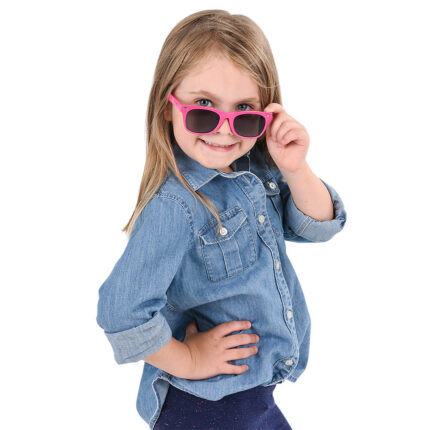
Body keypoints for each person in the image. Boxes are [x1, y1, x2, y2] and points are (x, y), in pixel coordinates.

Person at [96, 9, 347, 430]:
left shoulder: (254, 173)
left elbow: (318, 225)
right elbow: (121, 311)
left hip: (250, 397)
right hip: (207, 405)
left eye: (244, 111)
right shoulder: (176, 205)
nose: (224, 129)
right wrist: (189, 359)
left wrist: (295, 167)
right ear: (167, 107)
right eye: (203, 108)